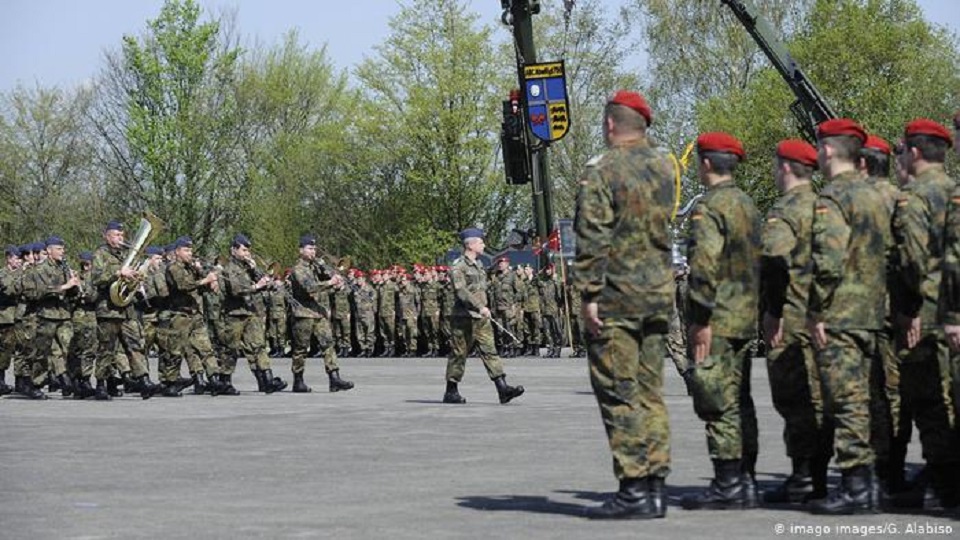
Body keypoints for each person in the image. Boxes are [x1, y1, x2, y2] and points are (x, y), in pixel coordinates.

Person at [573, 90, 673, 519]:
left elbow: (594, 237)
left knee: (619, 392)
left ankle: (633, 488)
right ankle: (655, 486)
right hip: (657, 295)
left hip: (617, 297)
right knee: (651, 393)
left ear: (610, 125)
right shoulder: (664, 167)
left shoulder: (605, 170)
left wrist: (588, 294)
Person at [806, 118, 890, 515]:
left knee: (847, 400)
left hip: (841, 312)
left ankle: (857, 484)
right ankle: (869, 483)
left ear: (826, 151)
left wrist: (818, 308)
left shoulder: (833, 197)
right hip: (872, 309)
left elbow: (828, 259)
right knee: (869, 397)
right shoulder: (878, 195)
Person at [681, 131, 761, 511]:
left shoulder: (709, 207)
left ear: (707, 163)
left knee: (718, 401)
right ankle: (746, 479)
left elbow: (705, 266)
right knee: (742, 400)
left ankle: (727, 483)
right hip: (745, 316)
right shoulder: (747, 204)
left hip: (718, 317)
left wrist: (700, 319)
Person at [891, 118, 959, 509]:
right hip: (950, 306)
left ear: (914, 153)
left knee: (929, 399)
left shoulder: (913, 197)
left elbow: (912, 261)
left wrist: (908, 308)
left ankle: (943, 479)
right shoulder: (952, 191)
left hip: (927, 313)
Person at [760, 140, 832, 504]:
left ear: (786, 167)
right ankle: (819, 475)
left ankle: (804, 476)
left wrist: (773, 312)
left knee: (794, 400)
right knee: (821, 398)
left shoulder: (784, 211)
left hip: (791, 318)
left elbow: (775, 263)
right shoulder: (824, 206)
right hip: (822, 315)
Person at [443, 228, 524, 406]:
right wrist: (480, 306)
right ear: (470, 245)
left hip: (480, 317)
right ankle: (451, 391)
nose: (484, 245)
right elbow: (461, 291)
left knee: (490, 350)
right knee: (459, 354)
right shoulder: (459, 266)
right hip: (463, 317)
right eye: (481, 242)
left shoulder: (479, 265)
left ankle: (502, 389)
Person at [90, 221, 163, 400]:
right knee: (107, 348)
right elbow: (97, 278)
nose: (120, 238)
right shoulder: (101, 253)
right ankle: (101, 385)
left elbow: (133, 276)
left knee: (135, 345)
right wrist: (118, 273)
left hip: (126, 309)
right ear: (106, 236)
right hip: (108, 309)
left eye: (122, 235)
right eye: (116, 235)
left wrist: (137, 278)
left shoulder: (126, 254)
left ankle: (144, 381)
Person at [219, 234, 287, 394]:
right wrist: (256, 287)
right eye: (243, 250)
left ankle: (266, 379)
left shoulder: (247, 268)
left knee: (258, 346)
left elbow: (263, 282)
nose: (247, 253)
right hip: (235, 314)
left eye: (248, 250)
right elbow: (236, 290)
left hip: (250, 312)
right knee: (231, 349)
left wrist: (258, 272)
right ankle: (224, 381)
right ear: (233, 250)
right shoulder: (230, 269)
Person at [288, 234, 354, 393]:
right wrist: (330, 283)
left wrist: (335, 283)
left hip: (319, 312)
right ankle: (298, 380)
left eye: (314, 249)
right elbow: (310, 287)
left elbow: (325, 284)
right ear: (301, 250)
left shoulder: (316, 267)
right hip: (303, 313)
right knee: (301, 349)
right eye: (310, 249)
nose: (313, 252)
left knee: (328, 343)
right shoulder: (298, 269)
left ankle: (334, 378)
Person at [165, 236, 225, 396]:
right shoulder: (173, 268)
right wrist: (205, 280)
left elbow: (199, 288)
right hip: (180, 315)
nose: (189, 253)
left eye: (190, 250)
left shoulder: (191, 268)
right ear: (177, 252)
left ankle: (214, 378)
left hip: (195, 314)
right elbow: (183, 285)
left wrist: (210, 283)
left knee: (206, 348)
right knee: (176, 352)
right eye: (186, 250)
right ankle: (171, 382)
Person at [0, 246, 21, 396]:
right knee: (4, 349)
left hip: (18, 316)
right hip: (5, 317)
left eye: (19, 258)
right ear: (8, 258)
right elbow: (9, 289)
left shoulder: (22, 273)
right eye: (15, 258)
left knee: (11, 350)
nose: (18, 261)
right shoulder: (2, 274)